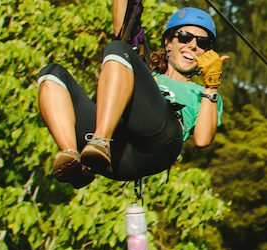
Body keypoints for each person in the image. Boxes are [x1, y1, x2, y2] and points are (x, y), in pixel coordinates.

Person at [36, 2, 229, 188]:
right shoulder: (139, 71)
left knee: (120, 50)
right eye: (185, 37)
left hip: (158, 144)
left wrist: (211, 85)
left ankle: (100, 141)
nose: (193, 46)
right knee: (51, 73)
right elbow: (123, 22)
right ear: (168, 42)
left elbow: (203, 139)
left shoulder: (201, 94)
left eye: (202, 43)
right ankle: (73, 158)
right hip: (117, 151)